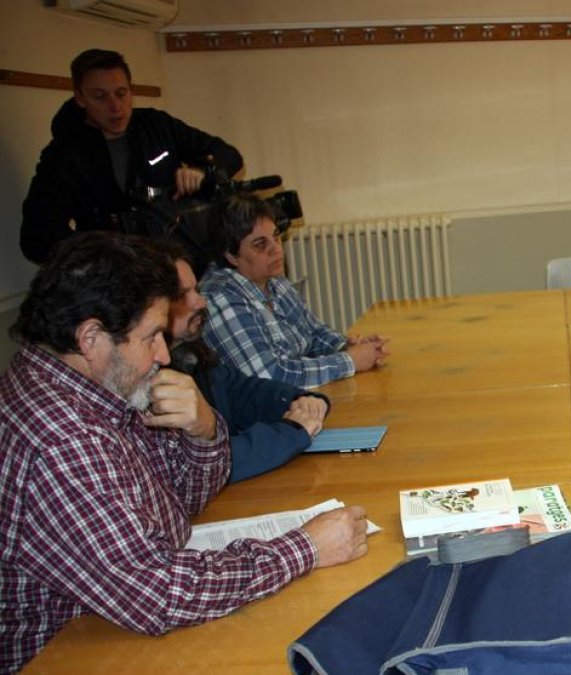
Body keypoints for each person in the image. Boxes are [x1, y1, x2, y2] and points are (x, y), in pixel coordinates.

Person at [0, 232, 368, 673]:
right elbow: (159, 595)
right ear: (91, 337)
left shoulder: (93, 388)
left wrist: (205, 430)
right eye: (152, 336)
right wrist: (305, 548)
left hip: (108, 623)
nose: (162, 353)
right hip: (69, 653)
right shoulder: (62, 439)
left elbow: (182, 500)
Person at [20, 48, 244, 265]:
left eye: (121, 93)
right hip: (122, 279)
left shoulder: (157, 126)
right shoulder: (63, 155)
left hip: (185, 260)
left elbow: (229, 155)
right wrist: (100, 251)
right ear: (80, 98)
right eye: (100, 97)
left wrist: (204, 172)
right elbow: (38, 238)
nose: (115, 106)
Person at [148, 237, 331, 482]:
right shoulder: (147, 381)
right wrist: (293, 431)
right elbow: (208, 466)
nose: (200, 302)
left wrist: (302, 400)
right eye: (182, 295)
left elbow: (246, 392)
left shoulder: (191, 355)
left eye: (196, 290)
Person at [200, 194, 388, 388]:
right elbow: (270, 377)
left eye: (275, 237)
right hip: (261, 414)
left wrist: (347, 347)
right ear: (231, 255)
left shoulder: (272, 278)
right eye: (260, 244)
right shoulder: (220, 298)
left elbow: (313, 333)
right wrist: (350, 361)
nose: (276, 249)